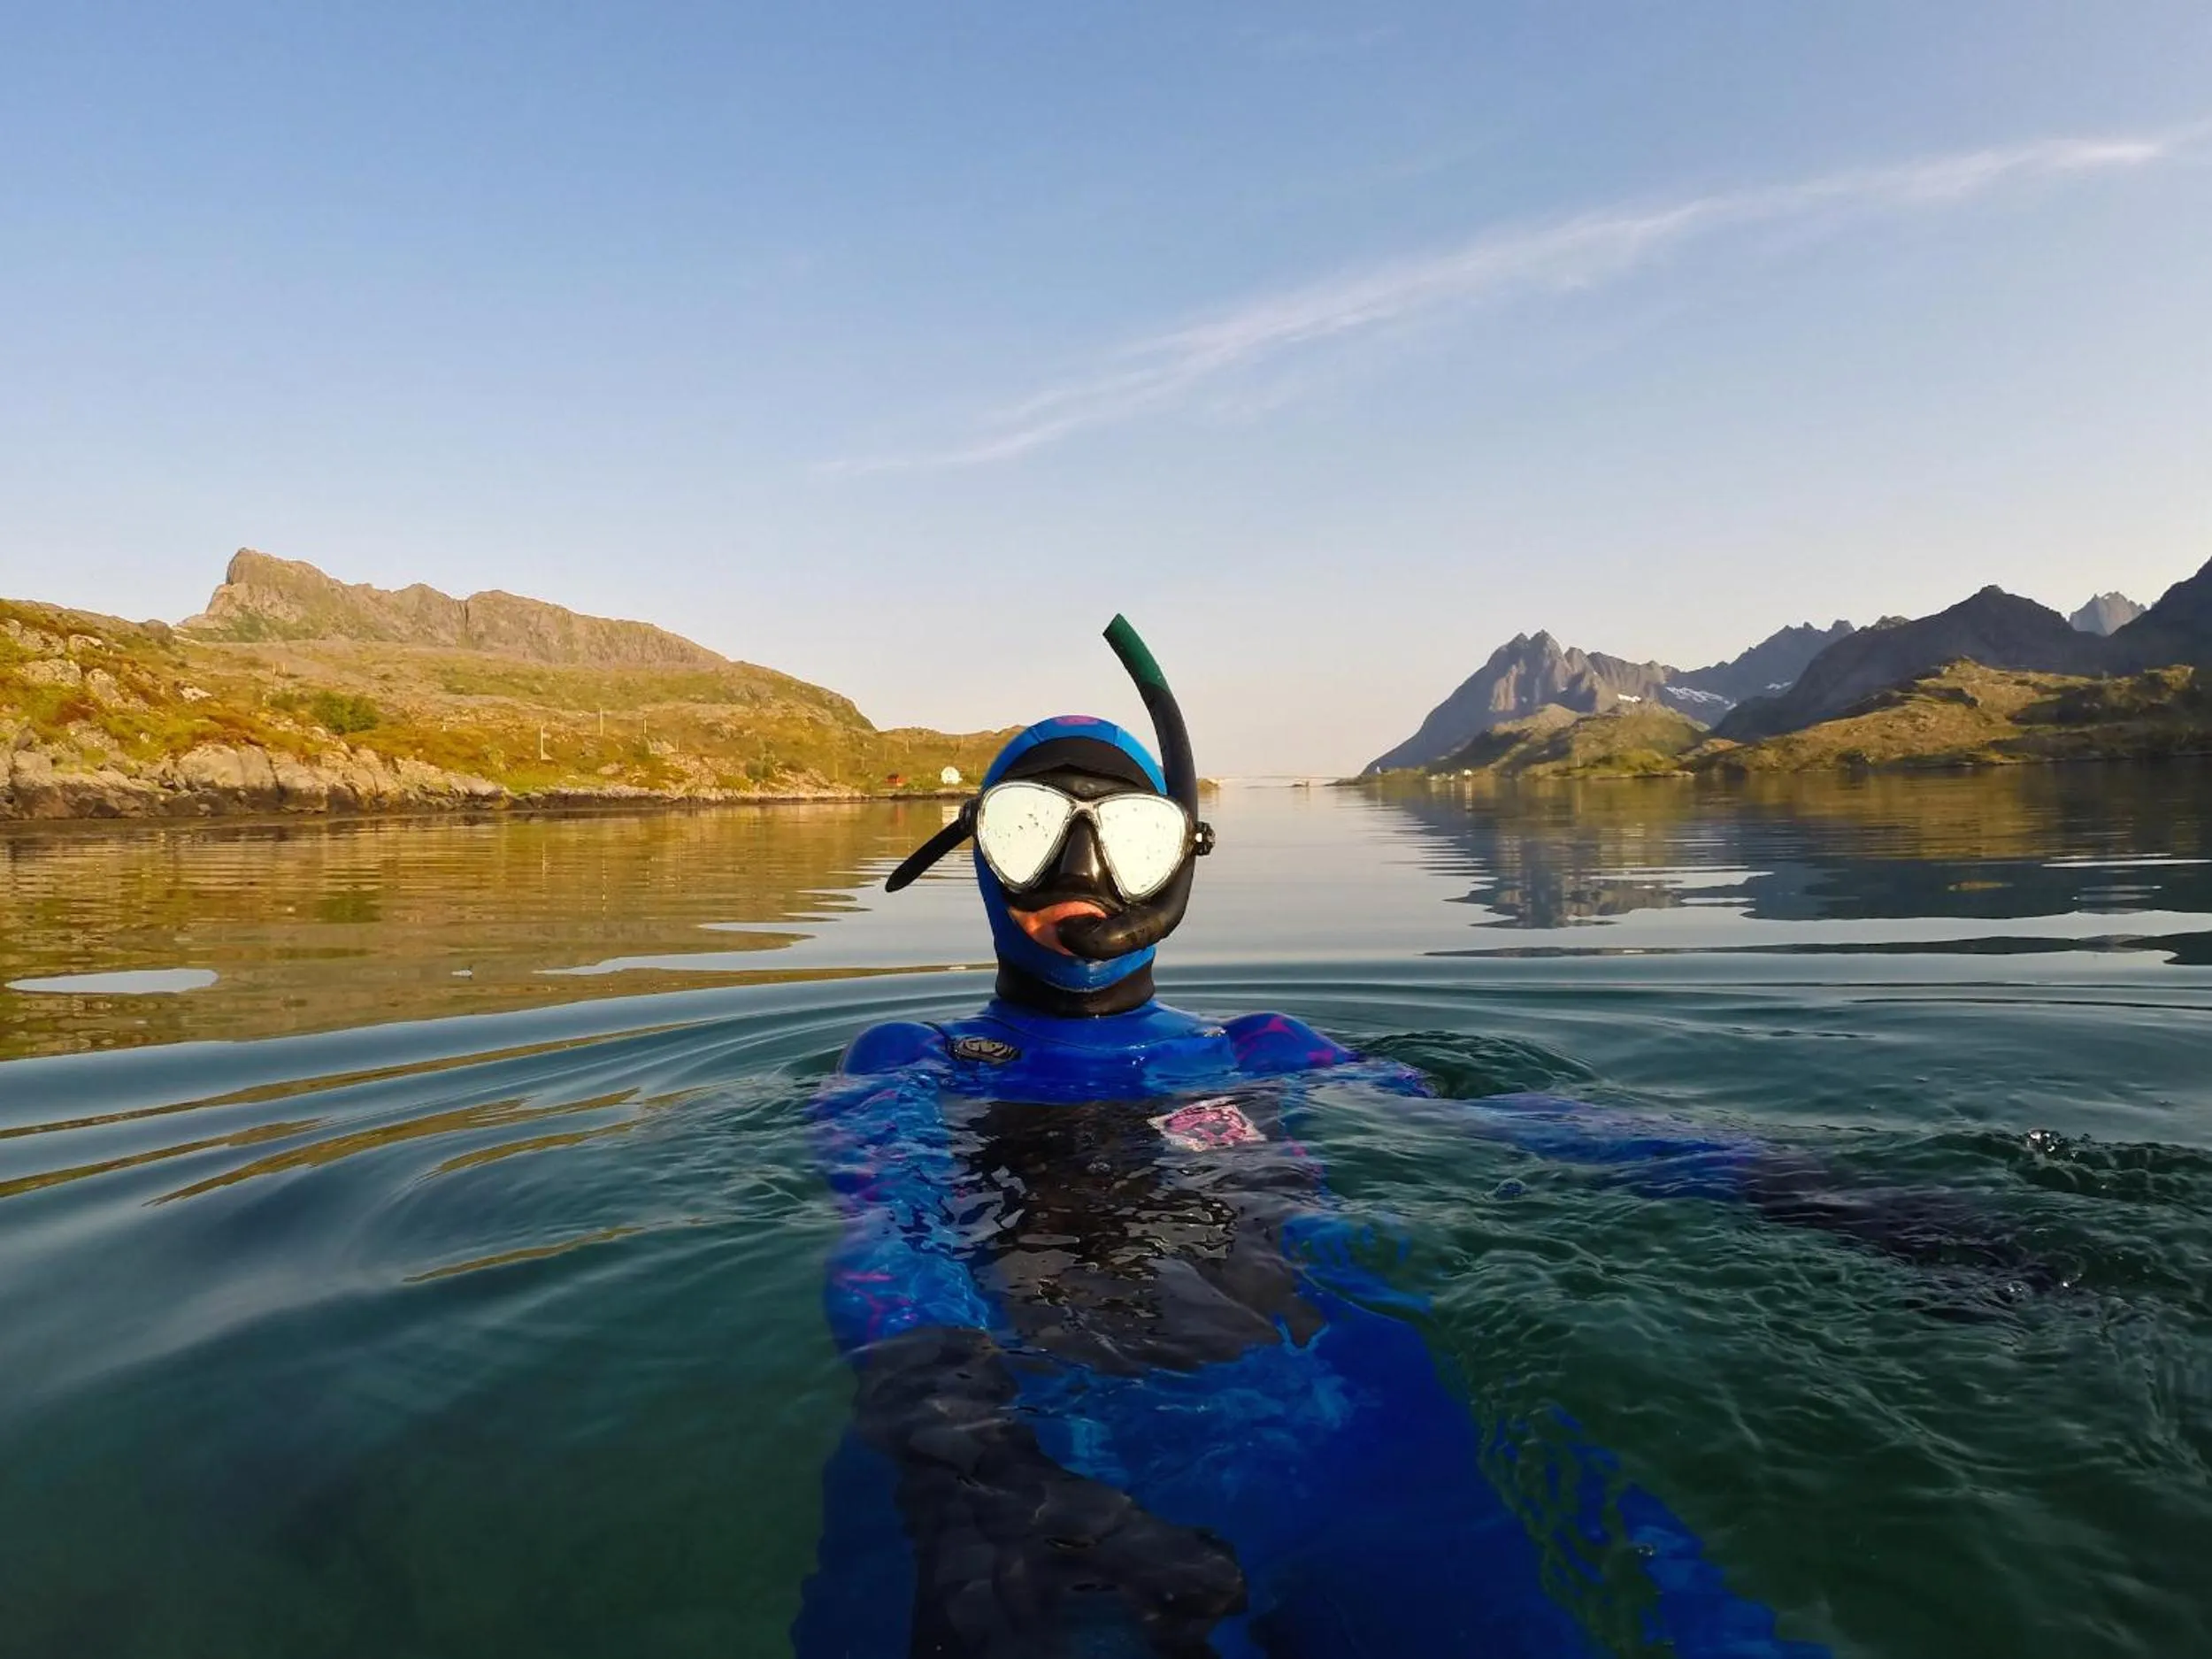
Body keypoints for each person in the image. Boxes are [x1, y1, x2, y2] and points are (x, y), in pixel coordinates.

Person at [792, 618, 1830, 1658]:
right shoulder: (905, 1060)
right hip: (1024, 1443)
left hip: (1344, 1421)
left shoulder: (1265, 1045)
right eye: (1028, 828)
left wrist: (1778, 1180)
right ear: (976, 852)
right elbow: (883, 1238)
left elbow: (1514, 1122)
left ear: (1180, 861)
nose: (1082, 866)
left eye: (1132, 836)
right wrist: (976, 1464)